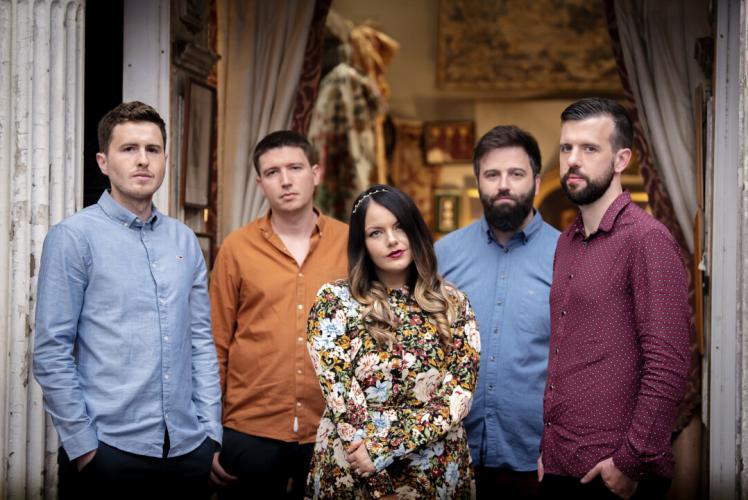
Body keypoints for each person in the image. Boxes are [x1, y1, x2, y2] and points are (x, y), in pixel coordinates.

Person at [33, 101, 221, 499]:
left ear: (165, 159)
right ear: (103, 162)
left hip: (187, 451)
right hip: (108, 452)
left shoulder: (184, 240)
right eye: (129, 148)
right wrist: (84, 448)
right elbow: (51, 352)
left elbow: (201, 342)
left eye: (153, 149)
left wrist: (210, 434)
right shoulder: (73, 238)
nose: (143, 160)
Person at [538, 97, 691, 499]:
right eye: (567, 147)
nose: (573, 160)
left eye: (590, 148)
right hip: (560, 463)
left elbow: (669, 363)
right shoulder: (567, 241)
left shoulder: (647, 240)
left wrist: (630, 461)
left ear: (622, 159)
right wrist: (547, 451)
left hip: (615, 475)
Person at [306, 185, 481, 499]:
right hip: (356, 467)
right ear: (362, 244)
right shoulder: (334, 303)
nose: (391, 240)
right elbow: (342, 398)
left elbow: (459, 395)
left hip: (434, 468)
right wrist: (378, 483)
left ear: (415, 230)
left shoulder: (454, 303)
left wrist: (383, 448)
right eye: (376, 232)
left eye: (399, 226)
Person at [209, 130, 349, 498]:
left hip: (331, 429)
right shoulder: (237, 248)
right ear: (260, 184)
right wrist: (208, 434)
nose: (285, 180)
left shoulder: (350, 245)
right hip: (249, 428)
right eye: (272, 172)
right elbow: (215, 343)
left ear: (315, 174)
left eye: (295, 168)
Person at [435, 125, 560, 499]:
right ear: (478, 182)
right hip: (451, 455)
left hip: (537, 460)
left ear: (536, 182)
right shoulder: (443, 255)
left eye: (516, 174)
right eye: (492, 174)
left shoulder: (567, 255)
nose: (504, 185)